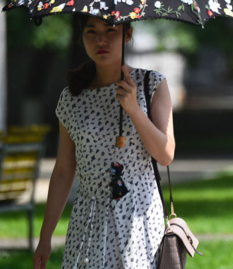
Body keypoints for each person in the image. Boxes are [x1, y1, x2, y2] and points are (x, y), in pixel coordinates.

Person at [33, 15, 176, 269]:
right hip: (88, 219)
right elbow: (64, 171)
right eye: (91, 32)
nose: (100, 39)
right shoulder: (71, 97)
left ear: (128, 35)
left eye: (110, 30)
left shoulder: (151, 83)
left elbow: (165, 154)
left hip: (139, 216)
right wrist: (45, 238)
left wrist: (134, 109)